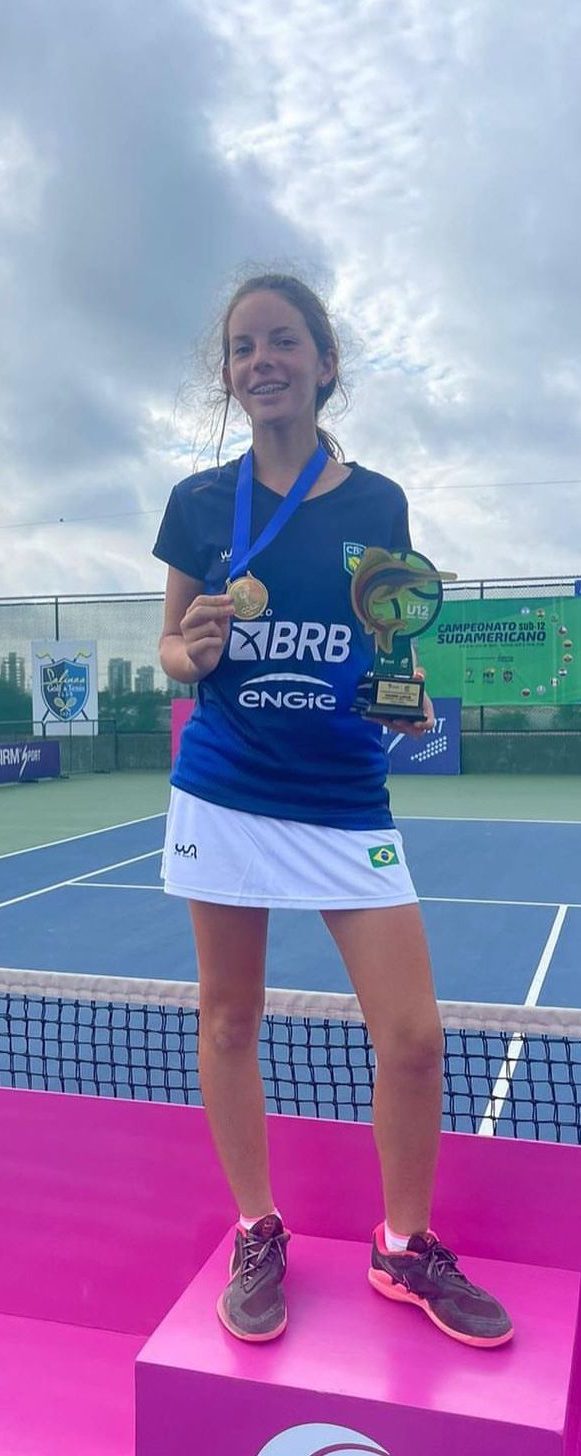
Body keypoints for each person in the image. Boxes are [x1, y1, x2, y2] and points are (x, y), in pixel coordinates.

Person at [153, 272, 513, 1350]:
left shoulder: (377, 504)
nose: (260, 361)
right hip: (225, 789)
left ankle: (402, 1245)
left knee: (411, 1037)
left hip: (344, 798)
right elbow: (170, 648)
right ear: (228, 374)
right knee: (229, 1019)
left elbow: (380, 641)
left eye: (281, 341)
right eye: (242, 348)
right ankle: (257, 1228)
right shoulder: (197, 503)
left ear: (323, 362)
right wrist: (190, 651)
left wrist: (400, 697)